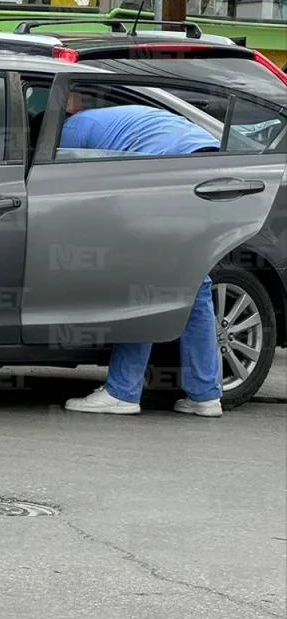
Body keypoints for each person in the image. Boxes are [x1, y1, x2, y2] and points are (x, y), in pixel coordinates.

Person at [60, 93, 225, 417]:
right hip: (209, 166)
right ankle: (205, 394)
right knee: (194, 281)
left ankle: (122, 390)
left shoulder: (73, 127)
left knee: (145, 277)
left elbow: (69, 188)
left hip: (171, 173)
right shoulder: (117, 119)